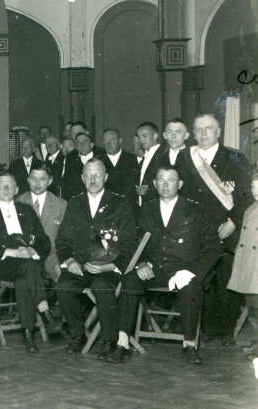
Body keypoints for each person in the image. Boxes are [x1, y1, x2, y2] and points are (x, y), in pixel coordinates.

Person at [111, 167, 221, 365]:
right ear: (154, 184)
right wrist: (142, 263)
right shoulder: (147, 209)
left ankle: (189, 345)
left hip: (185, 268)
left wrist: (192, 272)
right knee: (129, 280)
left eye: (171, 180)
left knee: (192, 287)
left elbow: (213, 246)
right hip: (156, 268)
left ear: (180, 184)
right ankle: (122, 343)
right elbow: (137, 242)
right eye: (160, 179)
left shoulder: (195, 209)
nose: (165, 184)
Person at [179, 113, 251, 346]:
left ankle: (226, 330)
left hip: (226, 227)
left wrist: (233, 222)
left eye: (208, 128)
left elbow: (246, 196)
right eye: (198, 129)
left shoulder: (235, 158)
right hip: (196, 230)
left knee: (226, 278)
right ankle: (208, 328)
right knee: (202, 279)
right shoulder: (184, 157)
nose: (203, 133)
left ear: (218, 131)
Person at [56, 159, 137, 359]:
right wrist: (70, 260)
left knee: (102, 287)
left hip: (109, 267)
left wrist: (112, 266)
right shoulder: (74, 203)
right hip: (81, 267)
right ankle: (78, 335)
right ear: (82, 178)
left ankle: (109, 340)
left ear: (106, 177)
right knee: (63, 286)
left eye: (98, 175)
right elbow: (63, 241)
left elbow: (130, 243)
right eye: (89, 175)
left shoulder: (120, 203)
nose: (93, 179)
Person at [0, 173, 56, 353]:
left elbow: (44, 241)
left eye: (9, 186)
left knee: (22, 279)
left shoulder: (26, 210)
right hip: (2, 265)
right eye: (1, 186)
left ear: (16, 190)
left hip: (26, 263)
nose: (5, 189)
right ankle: (45, 311)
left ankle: (28, 335)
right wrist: (7, 251)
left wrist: (32, 251)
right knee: (29, 266)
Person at [16, 160, 66, 282]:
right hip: (26, 256)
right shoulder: (19, 202)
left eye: (42, 179)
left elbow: (66, 238)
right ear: (28, 180)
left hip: (52, 257)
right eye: (33, 178)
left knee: (64, 281)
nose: (37, 183)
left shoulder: (60, 204)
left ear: (50, 181)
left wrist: (63, 262)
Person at [228, 167, 258, 362]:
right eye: (254, 187)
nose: (256, 190)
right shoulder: (250, 209)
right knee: (253, 305)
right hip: (249, 264)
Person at [98, 128, 139, 204]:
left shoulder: (132, 159)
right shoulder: (98, 161)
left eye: (112, 140)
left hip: (128, 207)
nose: (109, 144)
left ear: (120, 141)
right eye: (106, 141)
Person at [60, 132, 96, 200]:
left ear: (91, 145)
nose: (82, 144)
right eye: (78, 143)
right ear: (76, 147)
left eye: (85, 141)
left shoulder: (101, 158)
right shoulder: (70, 160)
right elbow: (67, 185)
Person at [134, 122, 162, 206]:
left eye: (144, 136)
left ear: (155, 136)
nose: (141, 140)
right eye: (139, 137)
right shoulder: (145, 156)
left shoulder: (164, 155)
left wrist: (151, 189)